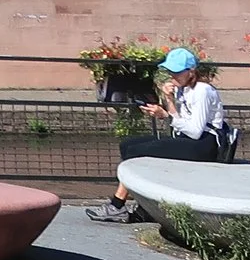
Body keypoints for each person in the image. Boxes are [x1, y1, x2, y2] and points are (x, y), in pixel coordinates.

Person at [87, 48, 226, 222]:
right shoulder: (183, 89)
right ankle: (141, 205)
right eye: (170, 71)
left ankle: (118, 205)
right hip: (190, 139)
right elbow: (180, 124)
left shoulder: (202, 91)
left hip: (206, 144)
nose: (172, 76)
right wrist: (168, 99)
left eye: (177, 72)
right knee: (128, 145)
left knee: (137, 151)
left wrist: (165, 115)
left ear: (191, 72)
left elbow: (195, 131)